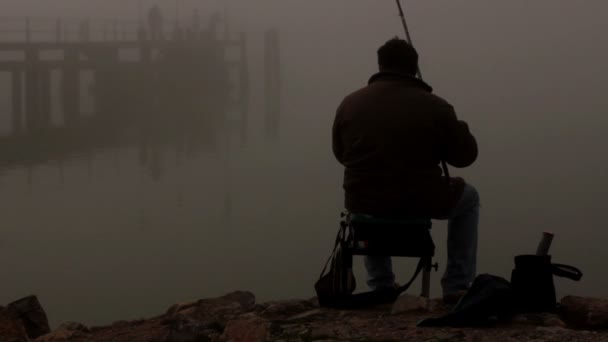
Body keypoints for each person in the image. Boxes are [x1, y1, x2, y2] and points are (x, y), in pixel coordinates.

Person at [332, 38, 480, 304]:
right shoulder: (436, 106)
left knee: (367, 192)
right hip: (419, 202)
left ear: (380, 65)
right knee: (469, 198)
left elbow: (341, 155)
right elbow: (465, 157)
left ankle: (381, 284)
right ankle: (456, 285)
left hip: (364, 204)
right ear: (414, 67)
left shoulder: (349, 103)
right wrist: (460, 126)